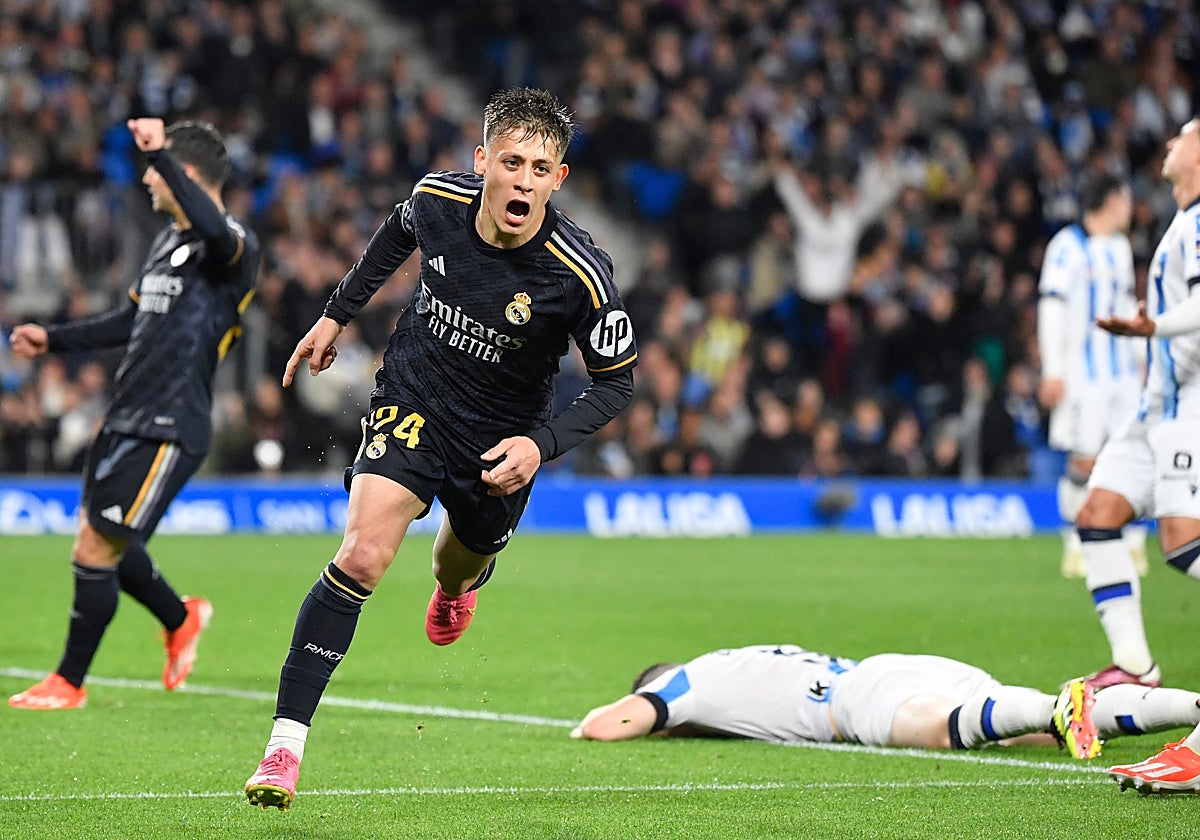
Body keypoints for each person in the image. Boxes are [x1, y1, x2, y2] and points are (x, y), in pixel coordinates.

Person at [244, 88, 637, 811]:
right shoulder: (436, 199)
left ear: (560, 179)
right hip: (413, 400)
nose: (523, 179)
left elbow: (617, 385)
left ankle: (457, 589)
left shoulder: (580, 273)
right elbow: (397, 233)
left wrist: (539, 444)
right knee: (361, 554)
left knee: (458, 560)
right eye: (511, 161)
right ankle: (284, 749)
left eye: (540, 167)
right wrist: (336, 316)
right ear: (482, 160)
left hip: (501, 441)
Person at [6, 118, 259, 709]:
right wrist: (54, 338)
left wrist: (159, 154)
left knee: (97, 547)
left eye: (158, 169)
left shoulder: (233, 246)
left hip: (171, 424)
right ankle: (180, 618)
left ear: (186, 174)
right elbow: (130, 321)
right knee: (102, 541)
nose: (148, 179)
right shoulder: (166, 242)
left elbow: (219, 234)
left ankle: (68, 682)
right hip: (126, 415)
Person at [1087, 117, 1200, 793]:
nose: (1168, 145)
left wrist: (1155, 324)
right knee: (1100, 512)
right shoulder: (1181, 221)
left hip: (1192, 404)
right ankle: (1133, 665)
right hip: (1154, 405)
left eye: (1183, 135)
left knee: (1182, 544)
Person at [572, 644, 1200, 763]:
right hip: (901, 666)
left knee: (943, 731)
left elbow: (611, 726)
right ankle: (1191, 707)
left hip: (856, 700)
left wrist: (595, 724)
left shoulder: (691, 681)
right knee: (1055, 723)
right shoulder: (738, 660)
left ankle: (1051, 711)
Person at [1036, 173, 1146, 578]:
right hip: (1082, 374)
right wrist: (1053, 370)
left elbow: (1124, 305)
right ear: (1112, 201)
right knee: (1083, 460)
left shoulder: (1119, 247)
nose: (1131, 209)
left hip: (1122, 374)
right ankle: (1074, 545)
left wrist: (1141, 358)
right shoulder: (1065, 246)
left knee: (1132, 455)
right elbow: (1052, 308)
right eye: (1126, 200)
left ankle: (1132, 543)